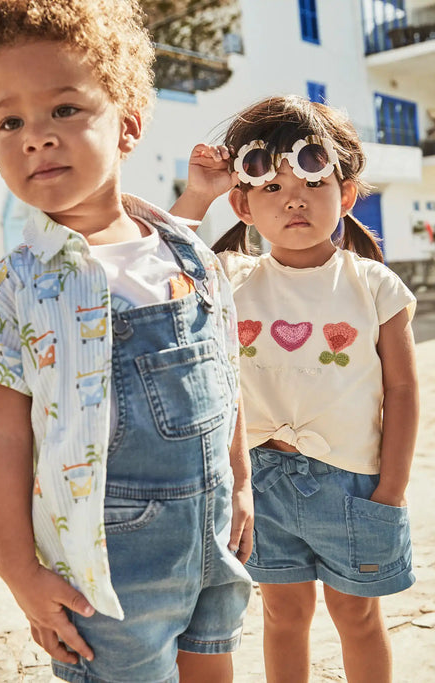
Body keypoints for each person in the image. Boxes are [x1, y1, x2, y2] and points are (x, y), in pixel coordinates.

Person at [0, 2, 253, 682]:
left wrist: (241, 484)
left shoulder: (189, 254)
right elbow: (2, 441)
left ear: (128, 125)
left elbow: (227, 373)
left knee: (213, 665)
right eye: (9, 121)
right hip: (106, 568)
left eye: (63, 110)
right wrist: (19, 571)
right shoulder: (15, 288)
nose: (35, 137)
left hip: (212, 541)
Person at [171, 95, 419, 683]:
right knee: (282, 613)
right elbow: (158, 270)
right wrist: (197, 197)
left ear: (347, 193)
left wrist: (392, 487)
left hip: (354, 482)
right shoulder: (230, 275)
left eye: (310, 179)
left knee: (357, 616)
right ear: (244, 203)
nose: (293, 198)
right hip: (260, 483)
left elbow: (404, 390)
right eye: (270, 186)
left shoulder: (374, 285)